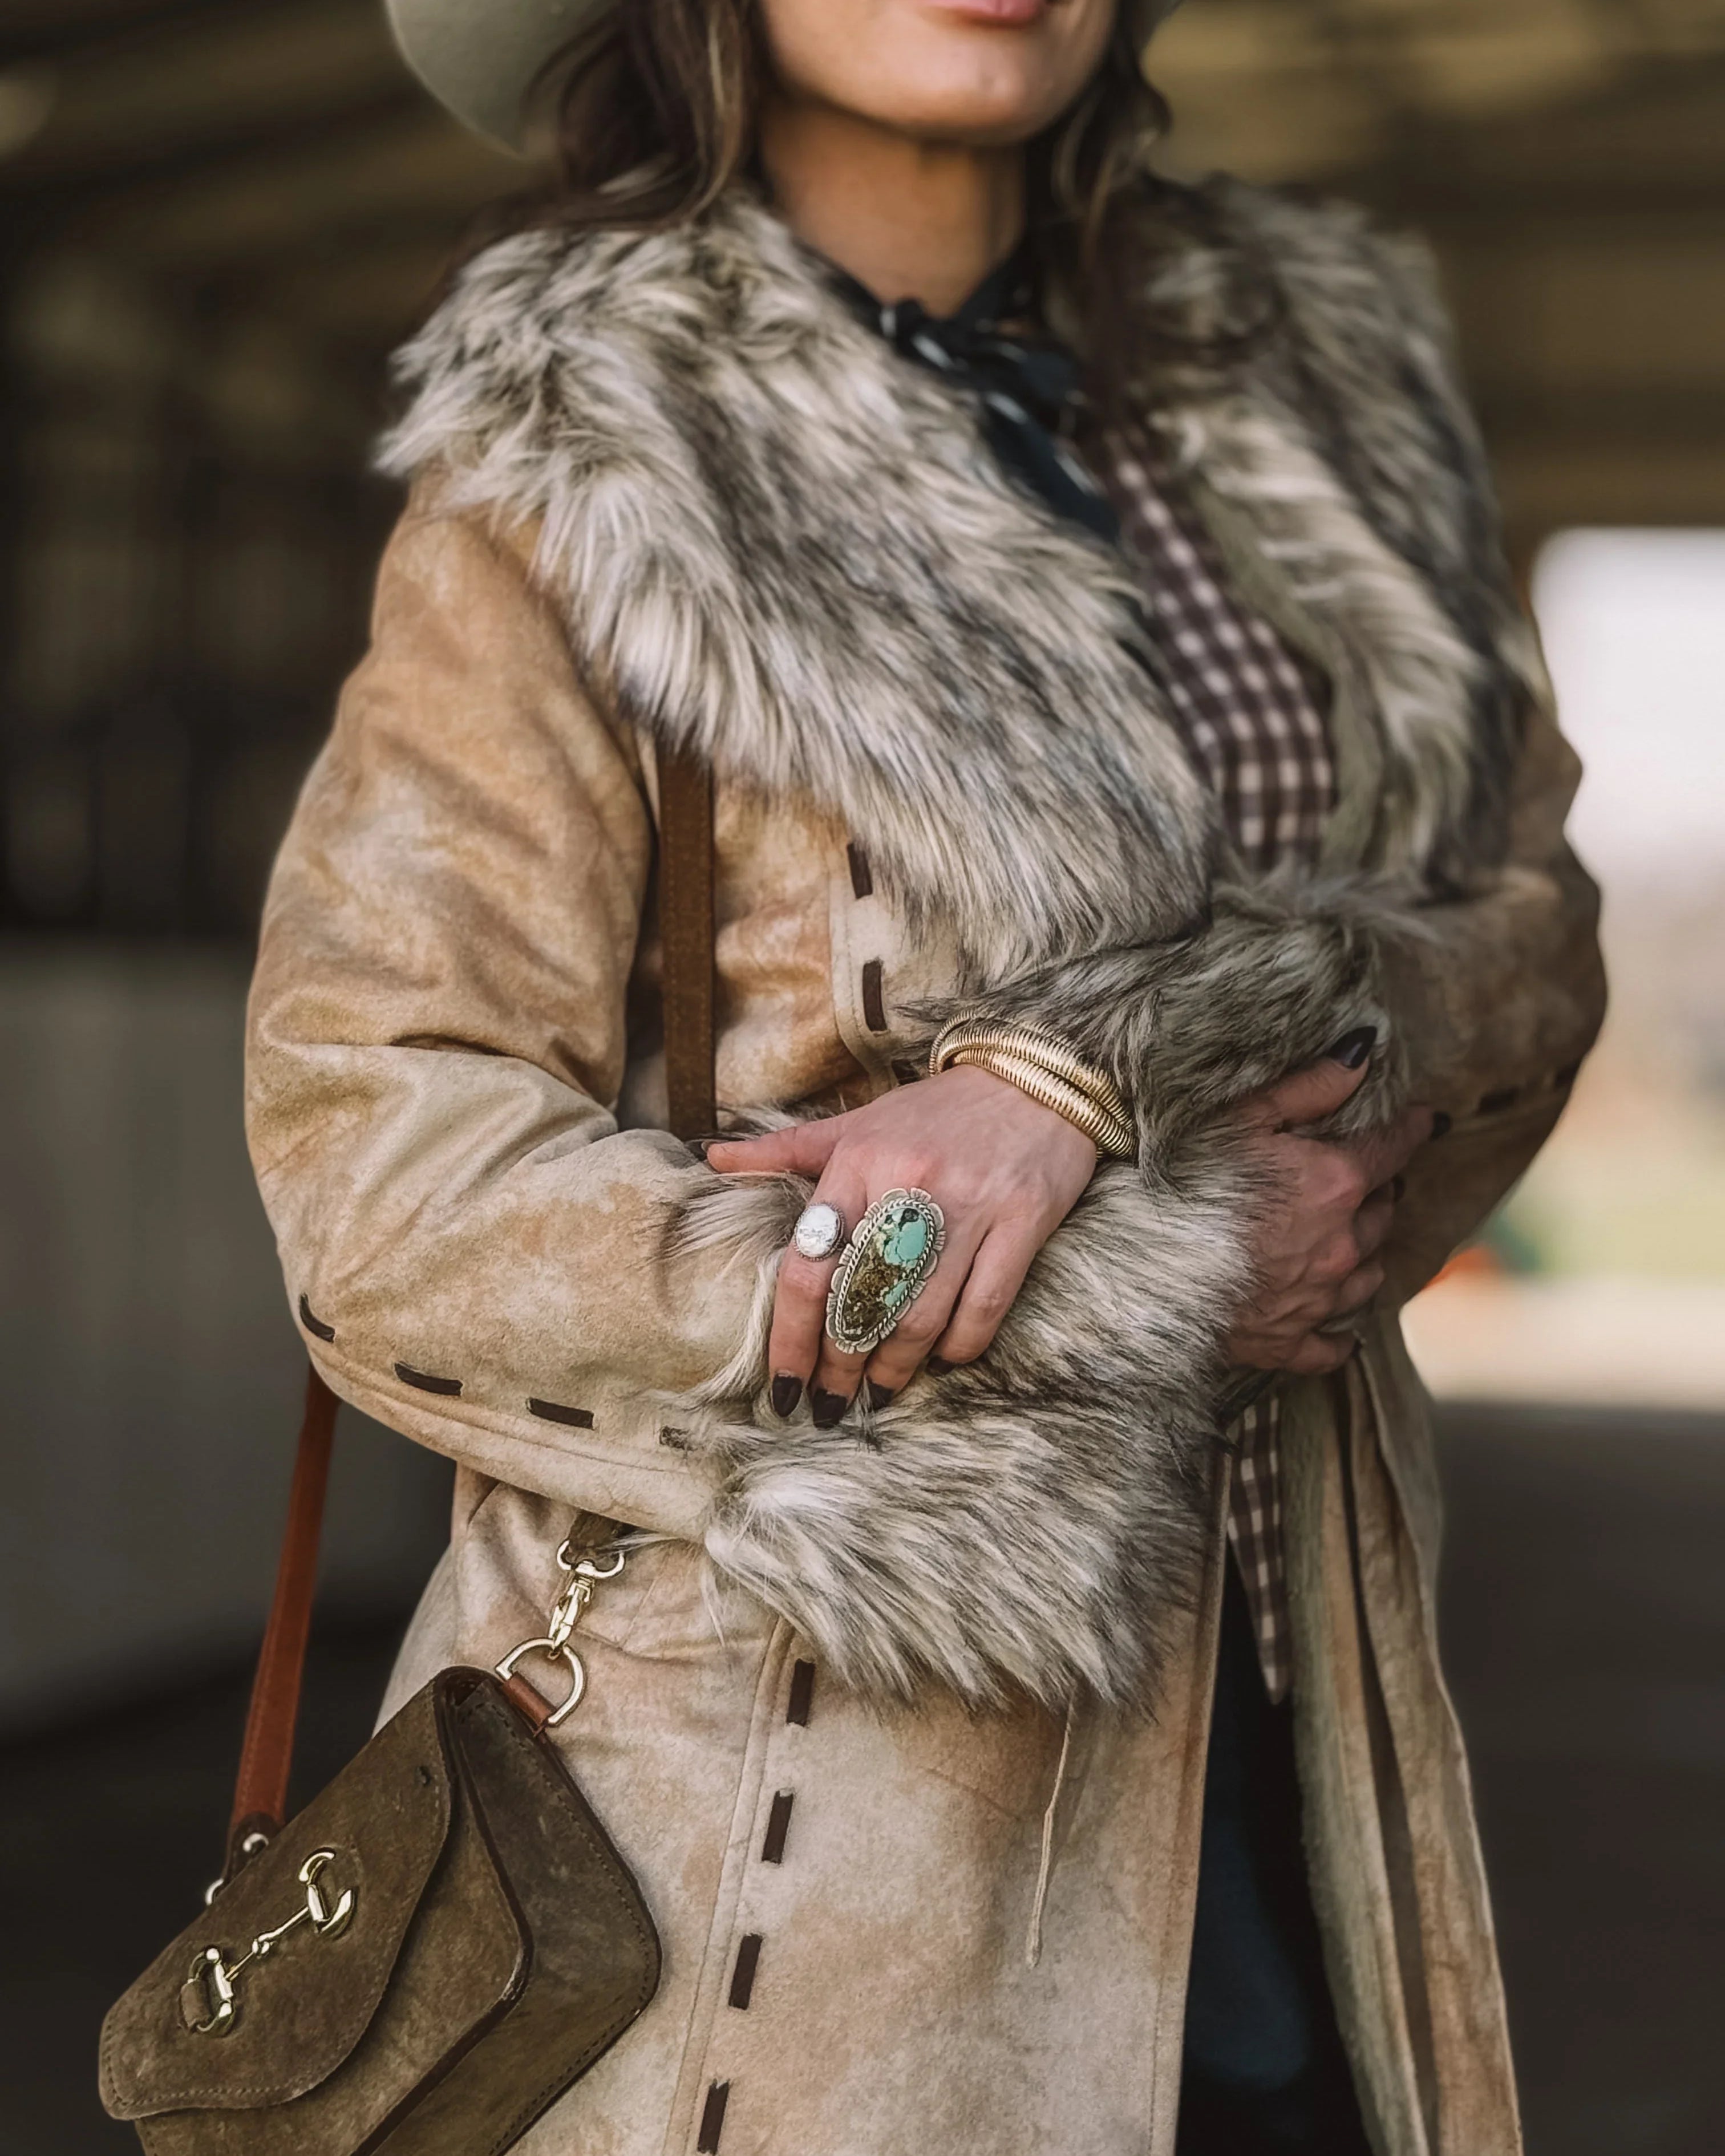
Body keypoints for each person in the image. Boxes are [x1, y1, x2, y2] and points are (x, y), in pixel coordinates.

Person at [244, 2, 1605, 2150]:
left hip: (1300, 1710)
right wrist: (1107, 1273)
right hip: (792, 1812)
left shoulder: (1309, 415)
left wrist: (1096, 1081)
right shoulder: (582, 455)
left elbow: (1523, 932)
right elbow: (382, 1168)